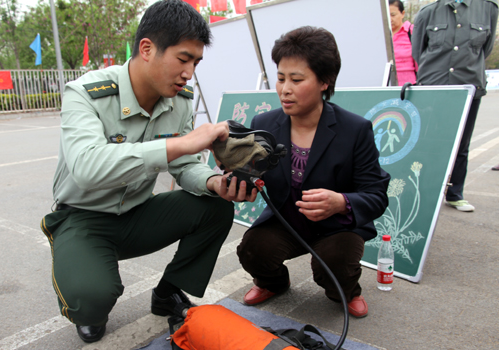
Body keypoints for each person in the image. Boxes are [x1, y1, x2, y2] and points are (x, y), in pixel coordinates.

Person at [40, 0, 256, 343]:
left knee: (215, 207)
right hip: (83, 218)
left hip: (138, 214)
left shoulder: (180, 102)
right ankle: (83, 274)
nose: (189, 72)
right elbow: (86, 167)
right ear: (147, 49)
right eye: (183, 59)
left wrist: (215, 181)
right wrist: (179, 145)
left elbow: (183, 167)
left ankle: (168, 291)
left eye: (196, 62)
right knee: (90, 299)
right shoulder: (87, 94)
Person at [236, 26, 391, 318]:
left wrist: (341, 202)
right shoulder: (265, 123)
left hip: (337, 225)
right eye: (280, 78)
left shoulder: (355, 130)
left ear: (325, 81)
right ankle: (273, 283)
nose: (285, 88)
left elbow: (376, 195)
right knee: (253, 250)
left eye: (297, 79)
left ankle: (344, 291)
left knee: (334, 263)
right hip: (287, 219)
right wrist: (237, 181)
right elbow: (248, 174)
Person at [412, 0, 498, 212]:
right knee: (428, 142)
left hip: (468, 86)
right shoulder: (428, 12)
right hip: (434, 88)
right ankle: (422, 194)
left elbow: (485, 50)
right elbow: (418, 51)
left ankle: (455, 194)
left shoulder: (488, 9)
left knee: (462, 144)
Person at [389, 0, 418, 85]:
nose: (390, 19)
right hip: (385, 87)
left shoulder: (412, 32)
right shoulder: (379, 34)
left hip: (409, 87)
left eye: (393, 15)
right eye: (387, 15)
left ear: (402, 13)